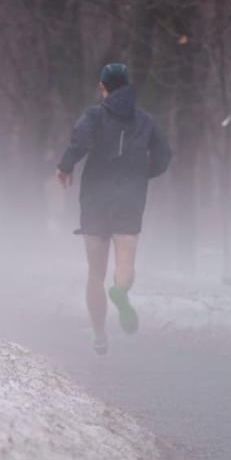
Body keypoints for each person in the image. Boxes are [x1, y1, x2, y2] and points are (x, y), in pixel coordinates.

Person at [56, 63, 171, 354]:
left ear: (103, 88)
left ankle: (99, 335)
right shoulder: (146, 121)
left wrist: (65, 166)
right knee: (125, 263)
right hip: (130, 199)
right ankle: (120, 291)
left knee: (95, 273)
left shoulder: (94, 115)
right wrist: (142, 173)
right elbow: (163, 156)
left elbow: (80, 141)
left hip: (95, 198)